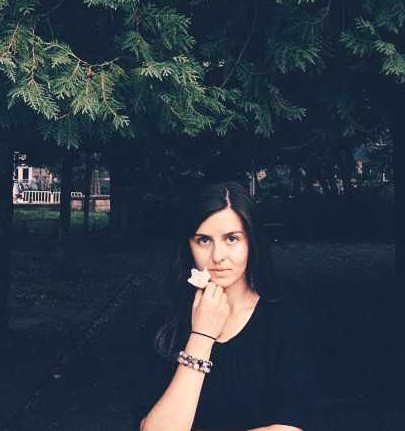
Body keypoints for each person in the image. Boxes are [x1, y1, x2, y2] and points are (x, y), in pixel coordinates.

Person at [130, 182, 317, 431]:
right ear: (189, 245)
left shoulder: (285, 322)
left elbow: (289, 426)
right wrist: (201, 336)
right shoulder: (163, 327)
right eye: (204, 240)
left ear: (252, 243)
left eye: (232, 238)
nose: (218, 256)